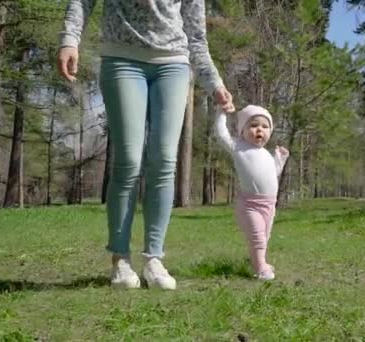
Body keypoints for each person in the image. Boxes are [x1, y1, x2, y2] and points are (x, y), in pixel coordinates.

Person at [57, 0, 235, 290]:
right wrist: (69, 40)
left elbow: (196, 36)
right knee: (128, 160)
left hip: (174, 64)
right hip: (122, 59)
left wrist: (213, 82)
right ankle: (120, 259)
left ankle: (154, 259)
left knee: (164, 160)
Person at [215, 105, 289, 280]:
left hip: (269, 205)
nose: (259, 130)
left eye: (265, 126)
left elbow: (274, 173)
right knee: (257, 237)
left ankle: (259, 261)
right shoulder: (238, 147)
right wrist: (221, 113)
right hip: (250, 205)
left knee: (264, 236)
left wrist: (281, 159)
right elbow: (221, 134)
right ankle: (260, 268)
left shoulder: (266, 154)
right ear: (243, 130)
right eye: (254, 125)